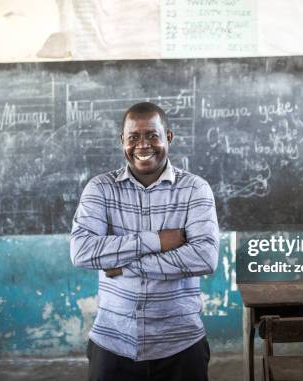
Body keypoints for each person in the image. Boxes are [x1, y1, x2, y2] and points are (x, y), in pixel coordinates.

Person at [70, 102, 219, 381]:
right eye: (133, 137)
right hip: (113, 343)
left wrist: (126, 267)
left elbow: (204, 258)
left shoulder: (194, 189)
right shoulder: (100, 189)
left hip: (180, 343)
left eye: (152, 135)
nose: (143, 145)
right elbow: (82, 252)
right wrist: (158, 240)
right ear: (122, 141)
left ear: (168, 138)